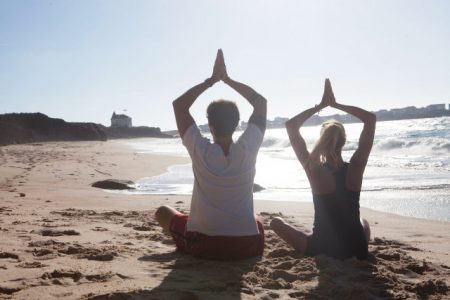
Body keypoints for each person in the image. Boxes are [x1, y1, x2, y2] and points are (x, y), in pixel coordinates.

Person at [155, 49, 267, 260]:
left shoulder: (200, 149)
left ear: (210, 125)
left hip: (204, 245)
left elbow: (179, 105)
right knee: (256, 219)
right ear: (236, 124)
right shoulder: (248, 148)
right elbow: (261, 103)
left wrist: (212, 80)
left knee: (162, 211)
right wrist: (228, 80)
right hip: (249, 245)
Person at [270, 79, 376, 260]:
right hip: (357, 247)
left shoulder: (314, 169)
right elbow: (370, 119)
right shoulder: (356, 167)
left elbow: (291, 126)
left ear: (321, 141)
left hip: (322, 246)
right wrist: (336, 104)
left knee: (275, 222)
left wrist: (320, 106)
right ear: (343, 142)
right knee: (363, 222)